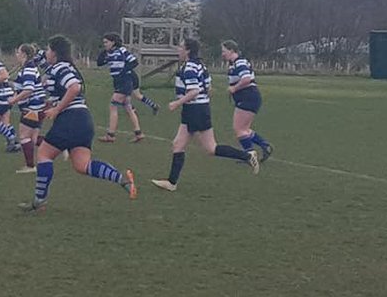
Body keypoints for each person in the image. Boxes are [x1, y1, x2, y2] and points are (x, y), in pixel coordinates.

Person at [20, 35, 137, 213]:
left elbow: (74, 88)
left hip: (70, 119)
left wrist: (58, 109)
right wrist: (46, 108)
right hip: (83, 120)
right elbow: (61, 93)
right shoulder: (60, 68)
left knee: (44, 154)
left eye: (49, 49)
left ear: (55, 52)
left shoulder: (61, 68)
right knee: (82, 165)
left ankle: (39, 201)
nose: (47, 53)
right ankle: (121, 179)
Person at [151, 38, 260, 192]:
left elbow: (194, 91)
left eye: (181, 47)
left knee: (210, 148)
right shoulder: (199, 65)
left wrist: (177, 103)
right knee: (178, 144)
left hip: (195, 110)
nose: (178, 50)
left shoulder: (189, 67)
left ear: (188, 50)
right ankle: (171, 182)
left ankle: (247, 157)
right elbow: (207, 86)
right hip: (197, 109)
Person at [221, 40, 273, 162]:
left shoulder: (240, 62)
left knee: (239, 129)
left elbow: (246, 79)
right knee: (244, 129)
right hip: (249, 98)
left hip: (248, 97)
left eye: (224, 51)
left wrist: (234, 88)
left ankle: (249, 156)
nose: (222, 54)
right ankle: (265, 146)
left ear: (231, 50)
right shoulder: (234, 64)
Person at [96, 33, 147, 143]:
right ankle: (138, 133)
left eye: (106, 42)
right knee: (128, 107)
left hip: (124, 81)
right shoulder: (109, 53)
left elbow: (134, 62)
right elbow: (99, 63)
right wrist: (104, 51)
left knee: (113, 106)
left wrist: (122, 72)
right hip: (118, 82)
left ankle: (111, 135)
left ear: (113, 42)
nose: (104, 44)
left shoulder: (121, 50)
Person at [8, 44, 47, 174]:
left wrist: (13, 100)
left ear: (24, 54)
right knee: (34, 139)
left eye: (18, 52)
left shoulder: (28, 69)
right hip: (38, 108)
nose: (16, 54)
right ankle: (61, 145)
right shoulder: (28, 68)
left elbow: (28, 90)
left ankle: (30, 166)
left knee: (24, 136)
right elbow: (23, 86)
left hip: (32, 109)